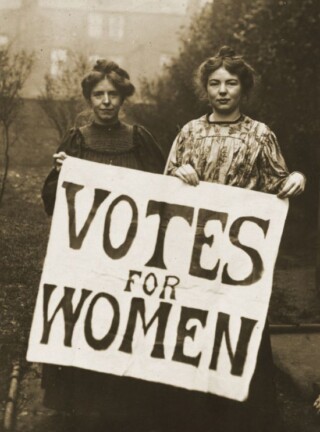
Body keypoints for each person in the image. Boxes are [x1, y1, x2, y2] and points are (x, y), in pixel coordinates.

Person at [163, 46, 306, 432]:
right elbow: (164, 186)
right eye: (214, 83)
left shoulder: (260, 135)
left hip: (241, 256)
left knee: (240, 331)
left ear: (244, 87)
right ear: (204, 88)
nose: (222, 90)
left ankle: (247, 418)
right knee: (193, 330)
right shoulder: (190, 132)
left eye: (231, 83)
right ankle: (191, 416)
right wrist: (179, 174)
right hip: (194, 253)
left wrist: (296, 179)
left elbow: (280, 182)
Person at [41, 59, 165, 432]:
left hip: (133, 251)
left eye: (113, 94)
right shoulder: (75, 140)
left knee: (126, 324)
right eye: (99, 95)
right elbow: (50, 199)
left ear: (123, 97)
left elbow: (164, 190)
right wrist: (63, 174)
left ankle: (128, 406)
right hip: (87, 253)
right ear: (88, 98)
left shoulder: (139, 137)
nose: (107, 102)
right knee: (86, 321)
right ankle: (83, 405)